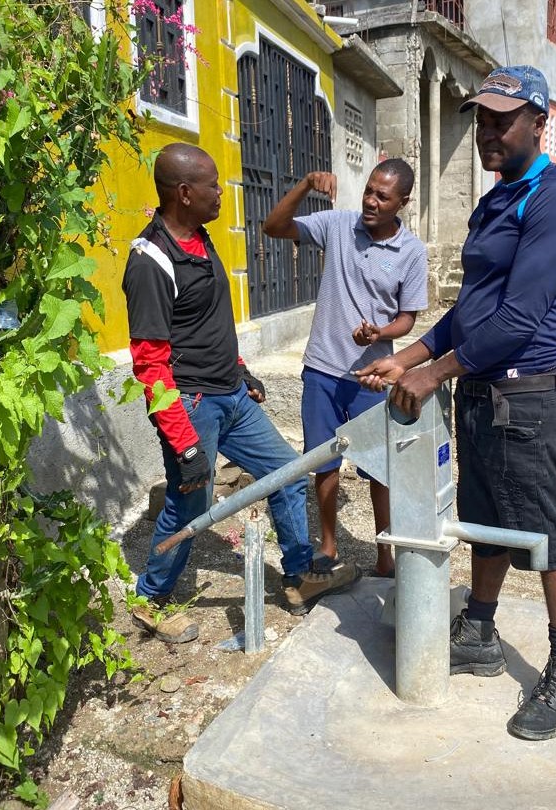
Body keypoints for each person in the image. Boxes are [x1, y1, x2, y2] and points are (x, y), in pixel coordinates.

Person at [356, 66, 556, 741]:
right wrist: (410, 356)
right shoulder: (494, 201)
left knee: (545, 532)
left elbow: (518, 319)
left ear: (537, 122)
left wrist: (436, 373)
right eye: (481, 119)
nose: (487, 130)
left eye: (502, 119)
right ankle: (482, 632)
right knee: (482, 515)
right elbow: (472, 308)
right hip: (481, 393)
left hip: (525, 394)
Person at [122, 143, 361, 642]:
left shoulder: (201, 240)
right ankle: (150, 599)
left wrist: (241, 369)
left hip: (230, 394)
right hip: (191, 404)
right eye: (211, 184)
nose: (221, 193)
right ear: (184, 193)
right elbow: (149, 364)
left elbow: (207, 323)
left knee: (288, 473)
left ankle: (298, 577)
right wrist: (185, 444)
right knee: (191, 500)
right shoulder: (150, 261)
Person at [262, 160, 428, 578]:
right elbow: (274, 227)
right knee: (323, 461)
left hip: (372, 376)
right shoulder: (338, 225)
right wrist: (304, 182)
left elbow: (408, 319)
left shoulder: (411, 253)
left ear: (402, 202)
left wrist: (380, 333)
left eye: (382, 196)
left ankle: (385, 552)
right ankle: (330, 544)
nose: (370, 201)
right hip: (322, 367)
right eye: (369, 190)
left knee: (377, 466)